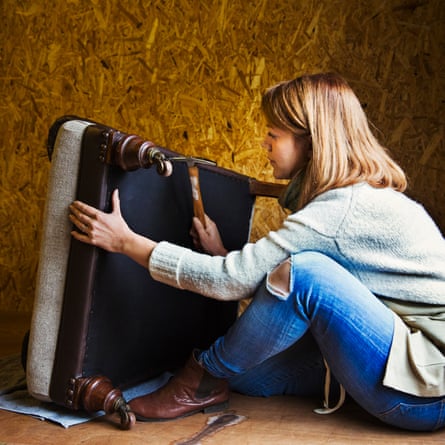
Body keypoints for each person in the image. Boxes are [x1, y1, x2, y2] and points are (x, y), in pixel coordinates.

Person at [69, 72, 445, 432]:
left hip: (425, 391)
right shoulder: (350, 200)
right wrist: (223, 252)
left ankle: (202, 378)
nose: (264, 144)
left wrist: (125, 241)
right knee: (248, 374)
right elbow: (269, 282)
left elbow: (244, 281)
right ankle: (224, 375)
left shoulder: (341, 209)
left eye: (273, 134)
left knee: (307, 273)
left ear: (312, 143)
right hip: (403, 357)